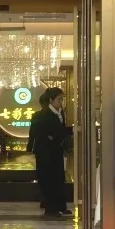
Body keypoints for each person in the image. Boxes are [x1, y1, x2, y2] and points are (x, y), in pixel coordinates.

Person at [29, 87, 72, 217]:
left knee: (59, 178)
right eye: (59, 99)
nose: (61, 102)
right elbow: (41, 133)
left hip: (56, 150)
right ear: (51, 100)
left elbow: (59, 131)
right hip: (46, 153)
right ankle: (51, 208)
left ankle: (61, 206)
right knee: (49, 179)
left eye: (62, 99)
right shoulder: (43, 115)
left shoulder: (60, 113)